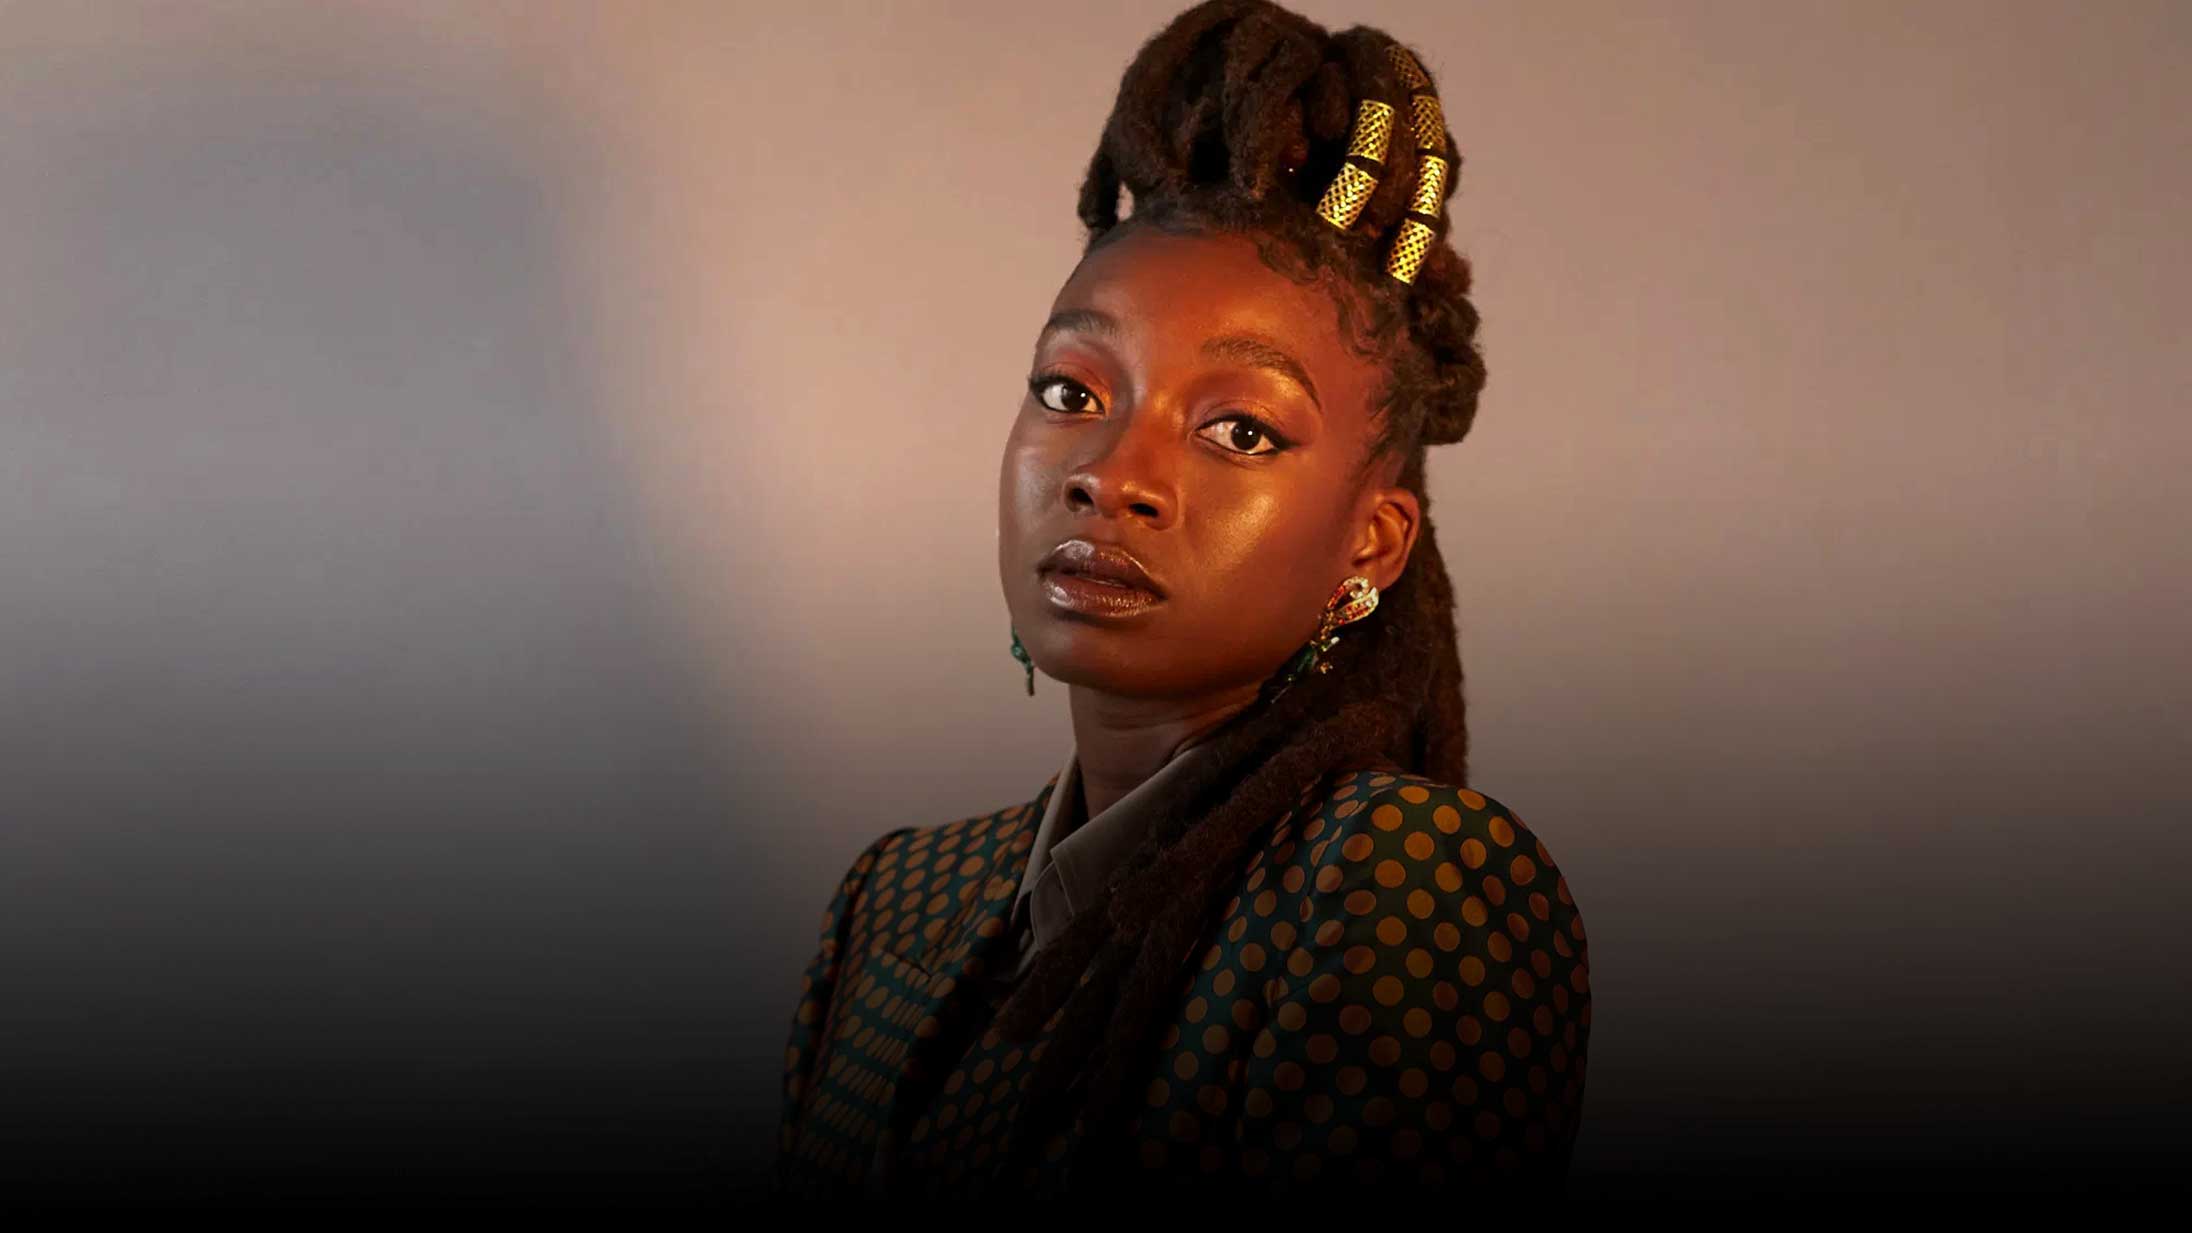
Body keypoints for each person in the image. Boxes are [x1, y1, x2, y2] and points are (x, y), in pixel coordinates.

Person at [772, 0, 1591, 1197]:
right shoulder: (894, 899)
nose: (1111, 475)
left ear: (1369, 547)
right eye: (1071, 393)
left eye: (1239, 429)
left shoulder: (1401, 883)